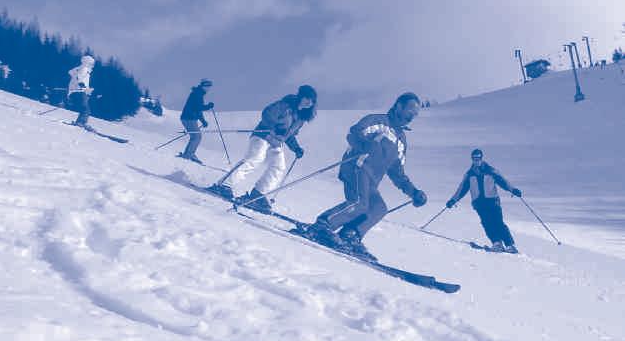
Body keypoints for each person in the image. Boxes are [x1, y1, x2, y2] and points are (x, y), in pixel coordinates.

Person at [306, 92, 428, 259]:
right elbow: (354, 133)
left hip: (371, 179)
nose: (412, 116)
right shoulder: (379, 122)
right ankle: (323, 225)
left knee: (378, 208)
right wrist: (365, 144)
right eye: (410, 110)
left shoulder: (401, 141)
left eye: (415, 114)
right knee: (359, 203)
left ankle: (350, 235)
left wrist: (414, 192)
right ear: (399, 106)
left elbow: (397, 173)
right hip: (356, 167)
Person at [211, 85, 318, 212]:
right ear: (301, 96)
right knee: (255, 158)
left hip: (276, 143)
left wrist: (296, 148)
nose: (308, 102)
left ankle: (258, 193)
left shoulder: (300, 119)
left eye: (311, 101)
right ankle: (224, 185)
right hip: (263, 135)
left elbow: (289, 136)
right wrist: (273, 128)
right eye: (307, 98)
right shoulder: (285, 105)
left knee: (279, 167)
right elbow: (267, 114)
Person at [446, 148, 521, 253]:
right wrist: (453, 200)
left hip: (492, 201)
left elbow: (503, 182)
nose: (476, 160)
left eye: (478, 158)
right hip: (479, 203)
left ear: (481, 158)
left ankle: (510, 245)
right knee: (487, 223)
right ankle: (497, 243)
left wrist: (513, 190)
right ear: (472, 159)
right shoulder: (469, 174)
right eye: (474, 158)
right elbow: (462, 189)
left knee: (498, 222)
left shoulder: (491, 171)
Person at [179, 79, 215, 164]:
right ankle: (189, 154)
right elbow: (198, 107)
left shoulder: (198, 94)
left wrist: (203, 121)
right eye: (207, 86)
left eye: (209, 87)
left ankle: (188, 154)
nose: (208, 88)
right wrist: (208, 106)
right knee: (197, 136)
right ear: (203, 86)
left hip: (189, 118)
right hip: (188, 118)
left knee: (195, 137)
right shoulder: (197, 94)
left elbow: (198, 110)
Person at [67, 55, 95, 128]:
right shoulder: (84, 69)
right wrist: (82, 85)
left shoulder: (78, 69)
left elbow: (76, 77)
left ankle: (80, 122)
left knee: (84, 108)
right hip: (80, 92)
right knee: (86, 109)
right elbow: (79, 78)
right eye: (91, 63)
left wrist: (86, 88)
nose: (92, 65)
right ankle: (81, 122)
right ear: (87, 63)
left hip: (75, 91)